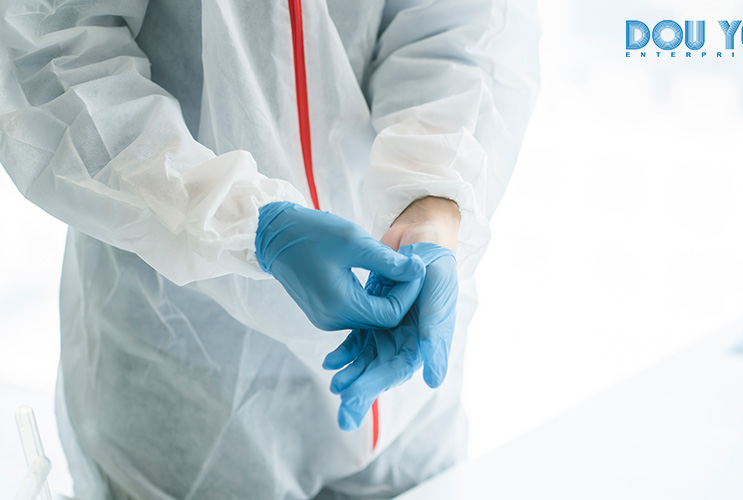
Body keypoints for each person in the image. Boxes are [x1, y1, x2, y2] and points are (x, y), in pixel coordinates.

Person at [0, 0, 540, 498]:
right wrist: (238, 218)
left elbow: (464, 23)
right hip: (185, 366)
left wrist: (430, 199)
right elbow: (51, 52)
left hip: (408, 403)